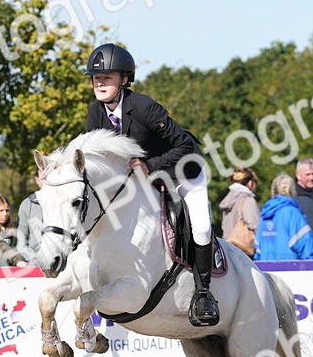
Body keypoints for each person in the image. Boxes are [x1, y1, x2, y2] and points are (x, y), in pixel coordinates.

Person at [84, 42, 219, 326]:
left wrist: (150, 165)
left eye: (107, 77)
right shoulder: (95, 113)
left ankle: (203, 293)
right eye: (96, 78)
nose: (99, 83)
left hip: (182, 170)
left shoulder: (143, 106)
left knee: (201, 226)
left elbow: (184, 146)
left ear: (124, 79)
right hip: (144, 180)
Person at [256, 173, 313, 261]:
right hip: (289, 267)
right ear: (292, 190)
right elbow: (306, 246)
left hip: (265, 266)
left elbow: (257, 250)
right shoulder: (293, 213)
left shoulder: (264, 215)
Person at [220, 167, 260, 254]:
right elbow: (255, 225)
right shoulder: (247, 199)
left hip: (227, 247)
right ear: (250, 183)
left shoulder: (227, 200)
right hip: (243, 250)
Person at [16, 172, 46, 267]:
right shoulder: (26, 205)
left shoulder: (64, 203)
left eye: (49, 178)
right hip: (34, 264)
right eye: (43, 179)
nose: (47, 182)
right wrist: (34, 259)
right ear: (37, 180)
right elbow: (21, 243)